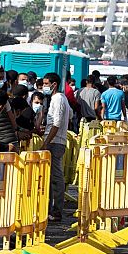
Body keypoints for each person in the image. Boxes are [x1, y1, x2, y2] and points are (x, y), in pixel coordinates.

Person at [41, 72, 71, 222]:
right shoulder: (58, 99)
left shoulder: (58, 99)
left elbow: (57, 123)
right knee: (52, 177)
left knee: (56, 177)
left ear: (54, 84)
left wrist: (47, 141)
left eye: (46, 84)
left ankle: (56, 210)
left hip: (55, 142)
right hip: (55, 140)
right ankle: (51, 209)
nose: (44, 86)